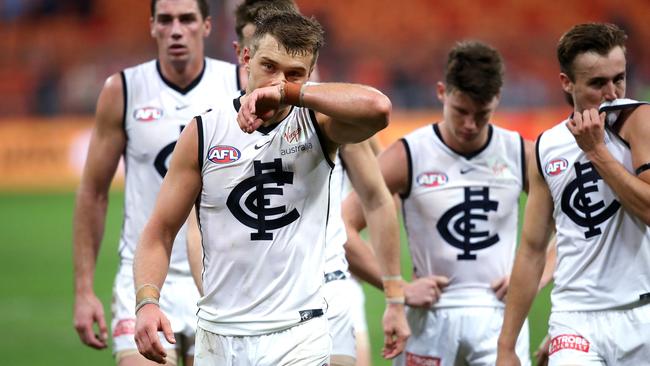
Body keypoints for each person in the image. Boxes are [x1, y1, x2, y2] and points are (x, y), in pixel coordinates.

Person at [133, 11, 406, 365]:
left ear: (310, 76)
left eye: (294, 74)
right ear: (246, 58)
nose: (278, 81)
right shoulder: (204, 132)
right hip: (219, 333)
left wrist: (288, 92)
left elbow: (378, 108)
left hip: (297, 332)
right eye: (269, 66)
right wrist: (147, 302)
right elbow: (160, 231)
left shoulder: (317, 126)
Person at [344, 40, 542, 366]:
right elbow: (341, 225)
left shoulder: (521, 154)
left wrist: (537, 276)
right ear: (441, 92)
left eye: (482, 115)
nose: (469, 124)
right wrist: (398, 289)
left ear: (497, 100)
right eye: (460, 111)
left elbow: (575, 220)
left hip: (500, 319)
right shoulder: (409, 154)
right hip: (429, 318)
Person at [72, 0, 239, 365]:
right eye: (165, 20)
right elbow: (94, 192)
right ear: (152, 26)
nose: (176, 29)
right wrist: (84, 290)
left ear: (207, 26)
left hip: (217, 277)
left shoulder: (237, 84)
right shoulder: (124, 90)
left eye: (187, 19)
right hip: (145, 275)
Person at [497, 22, 650, 366]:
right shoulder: (547, 147)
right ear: (567, 83)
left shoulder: (641, 121)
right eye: (598, 83)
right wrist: (506, 347)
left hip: (642, 314)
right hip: (575, 318)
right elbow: (533, 248)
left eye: (619, 78)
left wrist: (597, 152)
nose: (612, 92)